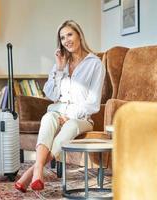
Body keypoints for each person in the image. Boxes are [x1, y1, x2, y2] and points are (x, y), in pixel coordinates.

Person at [15, 20, 105, 192]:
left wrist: (69, 115)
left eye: (70, 34)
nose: (66, 40)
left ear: (79, 34)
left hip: (82, 118)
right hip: (58, 111)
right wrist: (59, 69)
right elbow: (51, 94)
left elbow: (93, 103)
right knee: (48, 117)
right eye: (62, 38)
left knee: (70, 126)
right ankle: (38, 171)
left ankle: (32, 172)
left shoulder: (95, 64)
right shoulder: (62, 63)